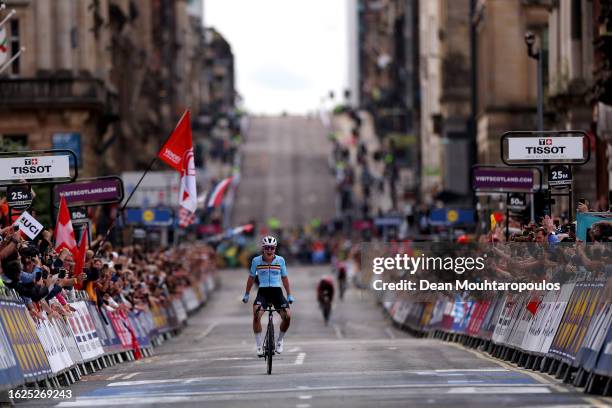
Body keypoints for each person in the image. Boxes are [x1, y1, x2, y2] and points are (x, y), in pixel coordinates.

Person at [242, 236, 293, 356]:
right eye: (267, 248)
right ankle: (259, 345)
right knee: (256, 315)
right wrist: (247, 294)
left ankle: (280, 340)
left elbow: (284, 278)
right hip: (263, 292)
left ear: (275, 248)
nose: (269, 250)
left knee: (288, 316)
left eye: (272, 248)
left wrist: (289, 294)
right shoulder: (256, 261)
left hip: (277, 292)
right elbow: (251, 278)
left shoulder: (280, 260)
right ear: (263, 248)